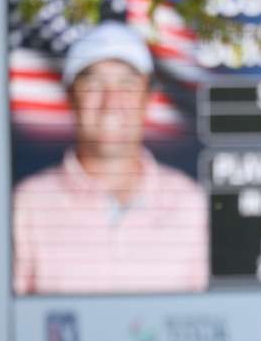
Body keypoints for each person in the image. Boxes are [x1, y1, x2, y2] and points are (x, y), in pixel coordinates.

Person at [12, 21, 207, 294]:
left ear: (148, 97)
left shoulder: (190, 202)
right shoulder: (28, 204)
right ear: (71, 96)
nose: (111, 102)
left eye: (126, 84)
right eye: (94, 84)